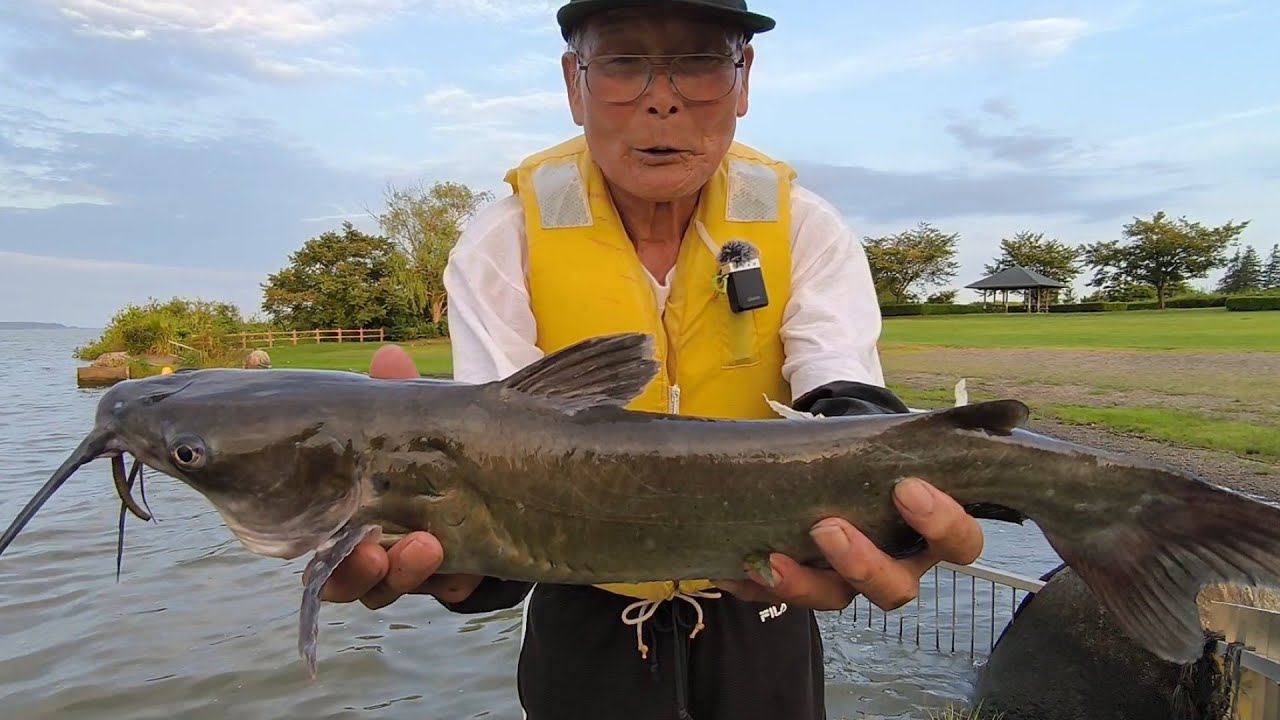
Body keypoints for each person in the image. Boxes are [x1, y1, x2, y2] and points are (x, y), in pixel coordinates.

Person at [321, 1, 986, 717]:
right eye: (622, 63)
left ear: (743, 79)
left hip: (764, 593)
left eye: (699, 62)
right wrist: (460, 567)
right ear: (575, 83)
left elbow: (845, 393)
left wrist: (895, 516)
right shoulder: (500, 241)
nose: (661, 98)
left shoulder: (805, 226)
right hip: (582, 600)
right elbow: (487, 459)